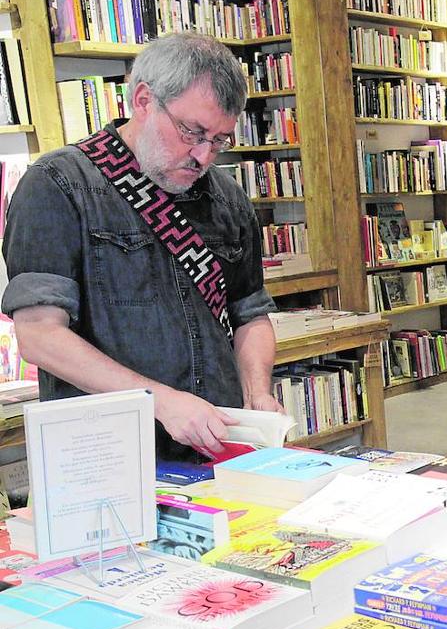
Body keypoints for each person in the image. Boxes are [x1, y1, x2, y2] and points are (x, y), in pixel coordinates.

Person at [2, 32, 280, 461]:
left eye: (220, 140)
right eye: (192, 132)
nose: (203, 156)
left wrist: (257, 393)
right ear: (144, 100)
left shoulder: (226, 198)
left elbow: (249, 314)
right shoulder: (58, 186)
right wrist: (162, 401)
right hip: (105, 454)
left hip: (218, 442)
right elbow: (40, 336)